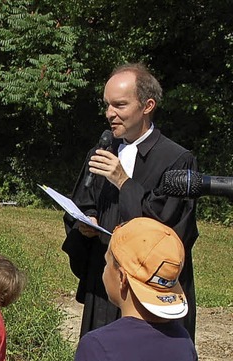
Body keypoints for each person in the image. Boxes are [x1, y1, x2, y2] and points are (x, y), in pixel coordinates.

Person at [62, 63, 199, 339]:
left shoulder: (176, 159)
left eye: (120, 105)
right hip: (106, 283)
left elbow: (169, 230)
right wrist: (86, 223)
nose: (109, 114)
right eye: (107, 105)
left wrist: (124, 182)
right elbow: (84, 202)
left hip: (150, 296)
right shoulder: (101, 150)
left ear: (147, 106)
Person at [74, 217, 197, 360]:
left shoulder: (97, 346)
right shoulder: (183, 341)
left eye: (106, 262)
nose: (104, 268)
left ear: (122, 278)